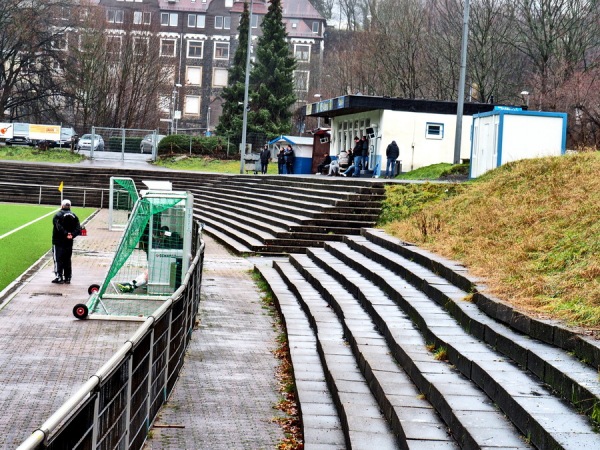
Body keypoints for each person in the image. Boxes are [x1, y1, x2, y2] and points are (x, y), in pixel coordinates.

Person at [52, 199, 82, 284]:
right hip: (69, 242)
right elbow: (78, 228)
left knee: (58, 259)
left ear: (62, 206)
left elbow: (58, 227)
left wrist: (66, 234)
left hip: (59, 241)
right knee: (67, 259)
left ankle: (59, 277)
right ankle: (68, 277)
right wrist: (72, 235)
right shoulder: (74, 216)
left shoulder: (58, 215)